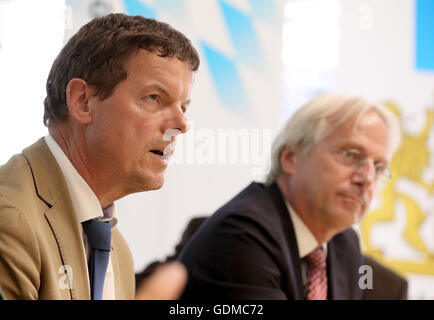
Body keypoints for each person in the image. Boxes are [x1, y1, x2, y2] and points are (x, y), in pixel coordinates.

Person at [0, 13, 199, 300]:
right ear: (82, 102)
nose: (182, 124)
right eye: (154, 98)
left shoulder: (117, 249)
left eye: (184, 106)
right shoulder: (11, 221)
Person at [179, 93, 401, 300]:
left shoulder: (344, 242)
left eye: (379, 167)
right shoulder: (243, 233)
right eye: (351, 155)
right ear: (291, 157)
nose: (367, 178)